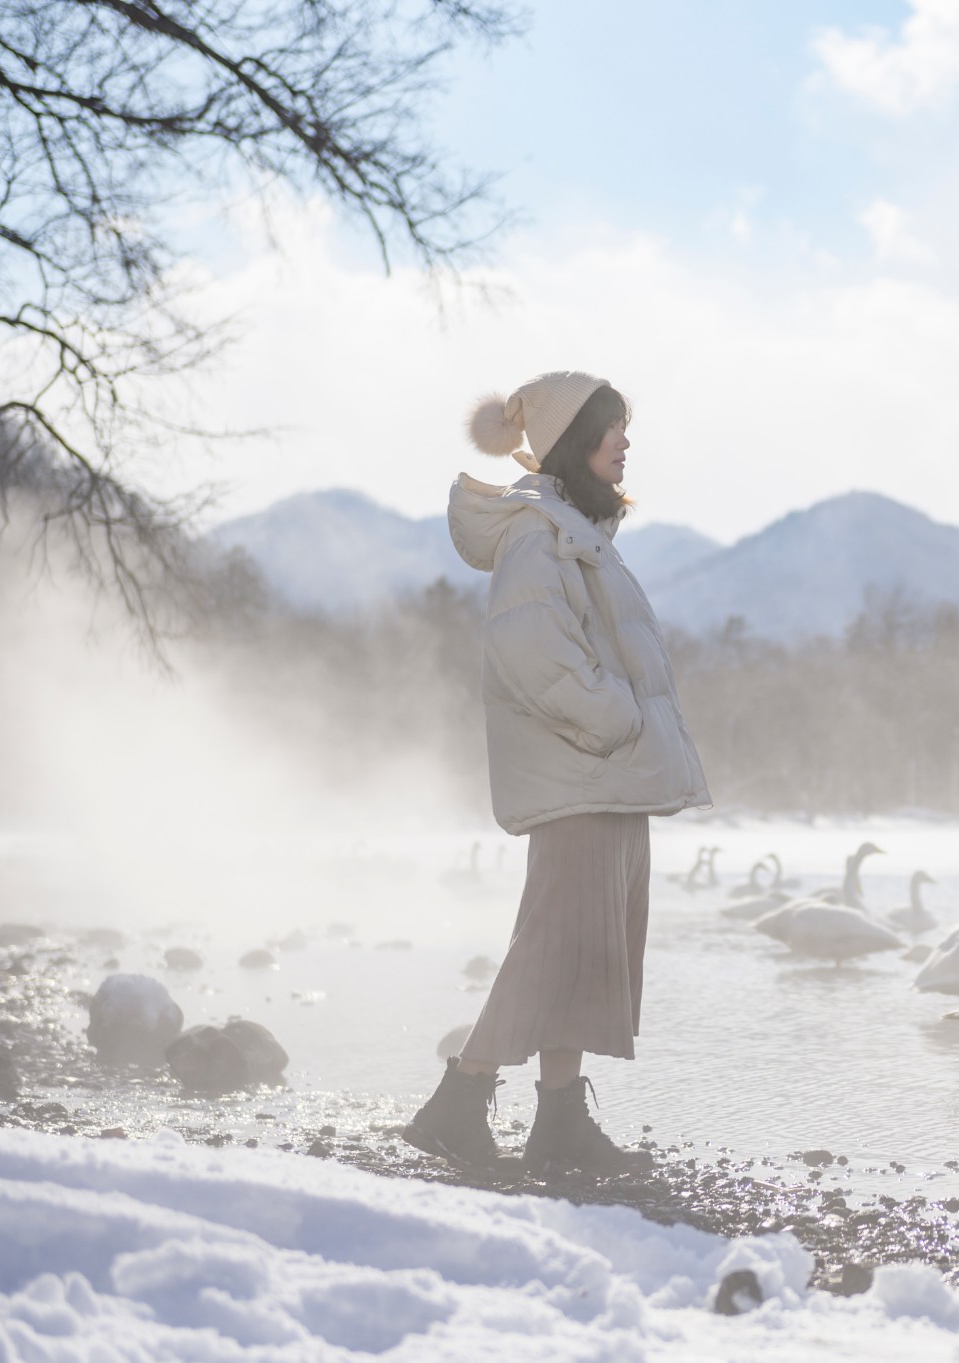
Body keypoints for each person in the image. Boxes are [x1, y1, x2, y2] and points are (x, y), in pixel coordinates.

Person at [403, 371, 710, 1176]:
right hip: (582, 772)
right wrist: (616, 718)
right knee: (551, 950)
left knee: (585, 953)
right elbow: (533, 653)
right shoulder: (540, 536)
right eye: (612, 428)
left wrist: (625, 731)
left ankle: (559, 1123)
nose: (625, 443)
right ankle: (457, 1105)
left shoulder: (574, 531)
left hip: (604, 777)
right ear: (576, 438)